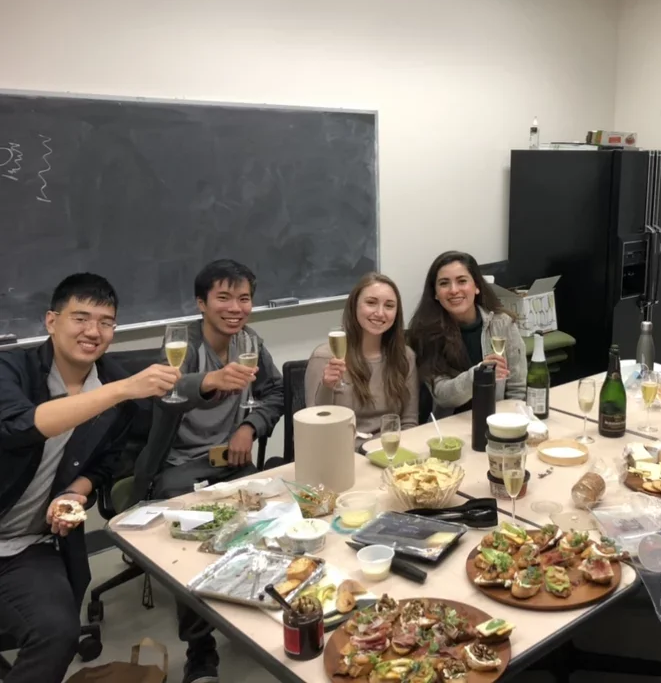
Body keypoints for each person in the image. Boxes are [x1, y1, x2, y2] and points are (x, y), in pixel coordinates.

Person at [0, 274, 180, 683]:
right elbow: (19, 426)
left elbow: (104, 466)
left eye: (106, 322)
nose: (93, 332)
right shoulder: (12, 369)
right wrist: (120, 390)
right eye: (81, 318)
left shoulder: (114, 383)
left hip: (31, 545)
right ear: (51, 321)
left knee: (58, 633)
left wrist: (73, 494)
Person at [136, 259, 283, 683]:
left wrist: (249, 428)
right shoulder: (179, 345)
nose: (235, 307)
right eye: (223, 297)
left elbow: (273, 391)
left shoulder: (250, 341)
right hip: (179, 467)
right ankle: (201, 650)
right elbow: (167, 392)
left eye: (244, 298)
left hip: (233, 462)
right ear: (201, 303)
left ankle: (248, 606)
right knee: (192, 547)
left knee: (272, 519)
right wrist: (209, 381)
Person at [305, 273, 418, 446]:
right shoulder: (325, 357)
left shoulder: (405, 356)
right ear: (354, 306)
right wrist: (327, 386)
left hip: (388, 453)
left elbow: (409, 422)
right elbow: (315, 425)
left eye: (389, 306)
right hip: (341, 453)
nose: (380, 313)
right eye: (371, 303)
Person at [407, 251, 526, 417]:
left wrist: (510, 424)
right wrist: (478, 374)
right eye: (444, 283)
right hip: (448, 428)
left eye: (462, 281)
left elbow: (517, 389)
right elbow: (442, 396)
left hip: (498, 420)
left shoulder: (503, 323)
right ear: (435, 293)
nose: (454, 290)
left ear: (477, 286)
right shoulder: (425, 334)